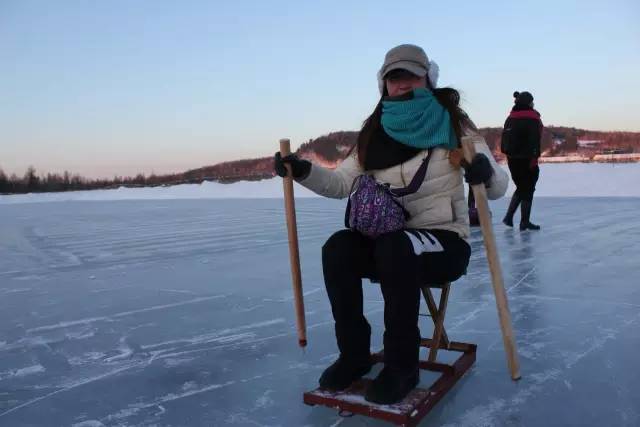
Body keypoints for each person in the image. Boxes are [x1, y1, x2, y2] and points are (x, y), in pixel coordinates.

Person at [274, 44, 508, 404]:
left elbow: (498, 188)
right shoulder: (374, 132)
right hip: (391, 242)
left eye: (411, 76)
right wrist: (302, 170)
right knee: (339, 247)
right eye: (393, 78)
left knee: (397, 246)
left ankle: (402, 365)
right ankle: (354, 355)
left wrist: (483, 173)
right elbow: (341, 184)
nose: (402, 85)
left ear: (427, 79)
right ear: (383, 85)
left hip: (444, 241)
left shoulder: (455, 124)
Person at [501, 91, 543, 230]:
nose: (533, 103)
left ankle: (509, 217)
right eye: (532, 101)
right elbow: (534, 140)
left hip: (512, 160)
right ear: (528, 103)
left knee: (521, 188)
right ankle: (524, 221)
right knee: (528, 189)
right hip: (527, 159)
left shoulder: (510, 118)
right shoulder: (533, 118)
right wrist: (534, 158)